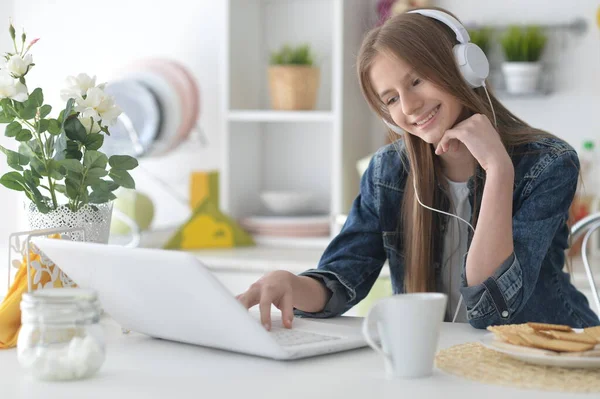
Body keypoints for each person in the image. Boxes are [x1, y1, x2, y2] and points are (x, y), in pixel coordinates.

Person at [236, 7, 600, 330]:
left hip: (553, 353)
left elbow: (493, 310)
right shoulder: (387, 172)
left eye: (416, 80)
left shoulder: (548, 164)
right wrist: (290, 284)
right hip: (442, 359)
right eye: (391, 99)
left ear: (462, 67)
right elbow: (341, 279)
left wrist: (498, 169)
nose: (408, 106)